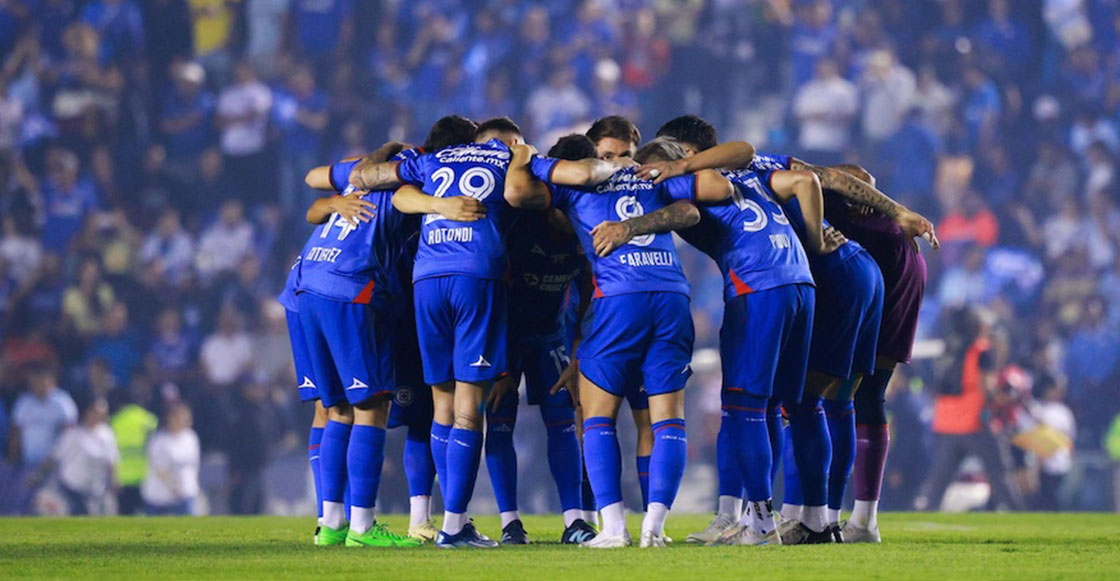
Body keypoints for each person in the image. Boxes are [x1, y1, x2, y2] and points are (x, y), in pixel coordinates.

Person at [506, 135, 732, 548]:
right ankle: (655, 529)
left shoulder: (574, 183)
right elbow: (696, 205)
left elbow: (517, 191)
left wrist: (524, 156)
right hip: (671, 297)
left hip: (619, 299)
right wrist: (667, 182)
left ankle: (613, 529)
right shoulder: (648, 176)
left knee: (597, 418)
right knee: (668, 419)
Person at [619, 136, 824, 547]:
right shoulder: (748, 174)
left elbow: (706, 196)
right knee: (770, 406)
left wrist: (670, 177)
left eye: (651, 168)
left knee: (743, 404)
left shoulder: (684, 179)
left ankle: (762, 525)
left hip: (757, 287)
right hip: (800, 280)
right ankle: (773, 515)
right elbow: (774, 166)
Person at [292, 125, 473, 548]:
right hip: (350, 289)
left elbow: (315, 193)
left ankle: (332, 524)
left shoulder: (362, 172)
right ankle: (362, 527)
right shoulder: (418, 176)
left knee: (336, 409)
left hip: (307, 285)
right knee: (371, 407)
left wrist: (379, 155)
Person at [349, 117, 522, 548]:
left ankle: (446, 522)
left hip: (426, 281)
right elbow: (532, 190)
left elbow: (370, 180)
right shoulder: (507, 154)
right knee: (468, 411)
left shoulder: (431, 159)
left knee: (441, 408)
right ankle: (453, 525)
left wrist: (437, 205)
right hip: (476, 276)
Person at [482, 135, 596, 545]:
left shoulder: (588, 224)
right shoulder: (521, 221)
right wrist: (499, 364)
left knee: (563, 423)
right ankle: (510, 524)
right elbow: (492, 288)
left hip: (551, 336)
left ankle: (575, 522)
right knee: (499, 423)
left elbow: (589, 291)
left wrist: (579, 353)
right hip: (507, 336)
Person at [584, 115, 655, 516]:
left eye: (624, 155)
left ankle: (649, 523)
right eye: (607, 156)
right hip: (603, 317)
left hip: (648, 309)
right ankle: (595, 517)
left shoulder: (651, 185)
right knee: (597, 418)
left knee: (647, 422)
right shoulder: (579, 190)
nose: (617, 163)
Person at [915, 307, 1025, 513]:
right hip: (975, 423)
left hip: (946, 422)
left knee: (938, 484)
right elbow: (988, 386)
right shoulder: (980, 350)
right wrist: (1004, 398)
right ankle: (1020, 518)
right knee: (1000, 476)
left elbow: (931, 382)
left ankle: (923, 520)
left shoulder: (946, 348)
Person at [52, 397, 119, 515]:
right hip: (73, 486)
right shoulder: (73, 433)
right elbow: (55, 456)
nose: (100, 417)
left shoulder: (106, 434)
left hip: (96, 488)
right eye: (97, 413)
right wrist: (39, 475)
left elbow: (112, 459)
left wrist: (114, 480)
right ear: (88, 412)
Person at [141, 403, 200, 515]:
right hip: (160, 498)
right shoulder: (161, 440)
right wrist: (175, 488)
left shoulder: (191, 438)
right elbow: (161, 470)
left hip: (186, 494)